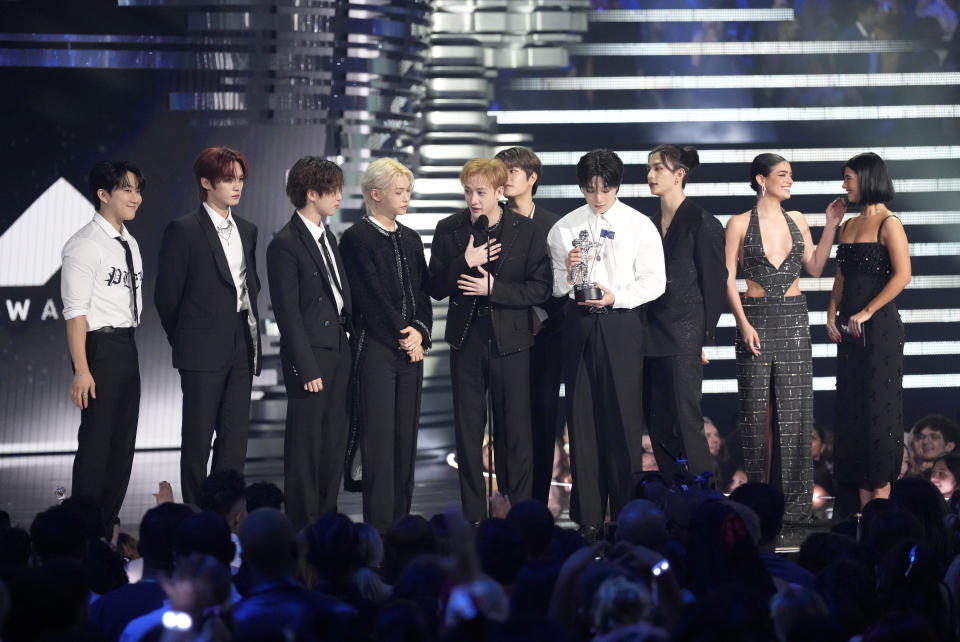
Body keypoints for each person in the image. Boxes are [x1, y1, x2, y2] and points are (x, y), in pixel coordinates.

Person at [547, 149, 666, 540]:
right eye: (590, 189)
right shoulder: (564, 228)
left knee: (623, 422)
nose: (598, 197)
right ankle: (589, 516)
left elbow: (655, 282)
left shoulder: (638, 225)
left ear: (617, 186)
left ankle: (627, 513)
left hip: (621, 325)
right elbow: (558, 288)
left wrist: (618, 297)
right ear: (581, 187)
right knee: (581, 423)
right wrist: (568, 274)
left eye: (606, 188)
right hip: (579, 327)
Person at [427, 157, 551, 523]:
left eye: (481, 192)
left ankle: (521, 517)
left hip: (512, 341)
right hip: (467, 341)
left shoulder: (526, 231)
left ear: (500, 191)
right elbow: (434, 286)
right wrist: (464, 262)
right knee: (467, 434)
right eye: (468, 191)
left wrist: (493, 288)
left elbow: (541, 288)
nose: (474, 200)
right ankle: (473, 519)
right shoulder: (449, 228)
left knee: (516, 432)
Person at [724, 152, 842, 521]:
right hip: (754, 317)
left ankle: (793, 508)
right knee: (757, 412)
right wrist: (742, 324)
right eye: (783, 174)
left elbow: (816, 268)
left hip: (793, 319)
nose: (790, 181)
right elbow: (727, 278)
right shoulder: (739, 223)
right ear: (761, 179)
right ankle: (759, 501)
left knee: (794, 415)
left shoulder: (798, 219)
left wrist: (831, 225)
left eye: (791, 175)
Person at [155, 146, 261, 505]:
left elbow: (249, 287)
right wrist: (187, 340)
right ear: (206, 182)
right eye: (228, 178)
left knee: (235, 439)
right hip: (200, 350)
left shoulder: (248, 230)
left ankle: (228, 514)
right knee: (198, 440)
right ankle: (197, 518)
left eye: (240, 179)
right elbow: (166, 297)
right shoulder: (183, 230)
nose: (237, 186)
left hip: (240, 345)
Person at [339, 158, 432, 533]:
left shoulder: (410, 238)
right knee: (378, 442)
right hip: (376, 348)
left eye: (408, 190)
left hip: (411, 350)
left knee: (405, 440)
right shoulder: (356, 238)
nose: (405, 197)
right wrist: (403, 334)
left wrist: (420, 332)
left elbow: (423, 293)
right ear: (375, 194)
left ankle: (403, 526)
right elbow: (370, 298)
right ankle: (379, 530)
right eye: (398, 191)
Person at [266, 157, 352, 530]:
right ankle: (302, 528)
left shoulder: (327, 236)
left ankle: (328, 524)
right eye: (330, 191)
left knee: (335, 444)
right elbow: (288, 315)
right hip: (312, 358)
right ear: (311, 193)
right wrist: (306, 367)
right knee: (306, 449)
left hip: (339, 350)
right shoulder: (285, 244)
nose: (338, 197)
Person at [61, 161, 145, 532]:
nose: (135, 197)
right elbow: (75, 313)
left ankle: (107, 528)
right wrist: (82, 369)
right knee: (97, 447)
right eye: (126, 189)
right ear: (103, 194)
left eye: (137, 189)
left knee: (123, 446)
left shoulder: (130, 242)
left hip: (128, 346)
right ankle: (82, 533)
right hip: (100, 349)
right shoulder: (84, 245)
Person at [827, 152, 911, 518]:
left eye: (849, 178)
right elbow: (842, 276)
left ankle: (882, 516)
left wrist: (867, 311)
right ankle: (862, 519)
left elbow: (903, 275)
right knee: (854, 413)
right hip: (850, 331)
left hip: (879, 331)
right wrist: (832, 310)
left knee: (879, 413)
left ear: (867, 178)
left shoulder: (890, 223)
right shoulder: (847, 225)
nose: (845, 185)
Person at [643, 144, 727, 485]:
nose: (650, 175)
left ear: (680, 174)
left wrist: (703, 338)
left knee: (687, 417)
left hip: (684, 332)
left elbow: (715, 285)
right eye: (649, 168)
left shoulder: (702, 222)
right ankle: (671, 492)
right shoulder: (646, 225)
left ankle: (703, 493)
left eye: (658, 169)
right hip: (648, 332)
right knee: (657, 420)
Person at [495, 146, 565, 503]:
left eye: (512, 172)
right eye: (501, 172)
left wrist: (540, 316)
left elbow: (563, 284)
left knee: (541, 417)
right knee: (506, 419)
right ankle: (507, 495)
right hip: (502, 337)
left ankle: (537, 501)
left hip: (544, 339)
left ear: (532, 178)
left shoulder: (555, 225)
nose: (505, 179)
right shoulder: (491, 220)